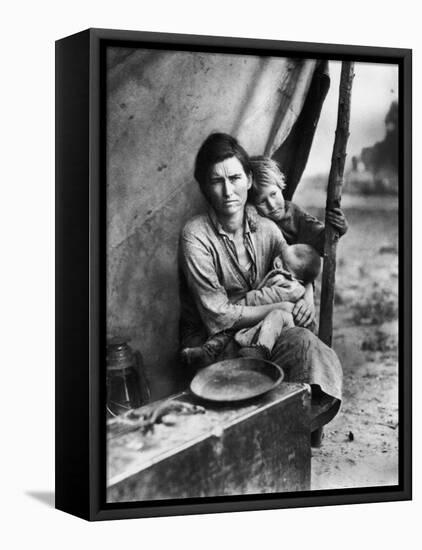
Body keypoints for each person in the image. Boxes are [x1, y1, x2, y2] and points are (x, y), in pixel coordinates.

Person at [179, 133, 342, 442]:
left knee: (306, 344)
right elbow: (217, 316)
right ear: (203, 186)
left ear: (249, 180)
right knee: (251, 368)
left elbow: (296, 268)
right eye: (216, 181)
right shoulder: (195, 236)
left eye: (235, 178)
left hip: (261, 334)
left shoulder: (266, 228)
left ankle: (285, 431)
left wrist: (305, 295)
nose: (228, 191)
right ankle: (265, 433)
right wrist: (279, 308)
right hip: (214, 340)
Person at [248, 155, 348, 328]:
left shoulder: (294, 214)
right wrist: (250, 210)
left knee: (302, 320)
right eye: (262, 201)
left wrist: (339, 228)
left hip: (294, 284)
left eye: (273, 194)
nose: (272, 205)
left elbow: (321, 241)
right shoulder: (254, 219)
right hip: (263, 287)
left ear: (281, 187)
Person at [181, 243, 321, 366]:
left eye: (283, 264)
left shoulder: (289, 287)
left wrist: (242, 304)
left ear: (298, 280)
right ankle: (208, 352)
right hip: (264, 318)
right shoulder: (288, 279)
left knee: (232, 327)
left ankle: (258, 352)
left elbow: (263, 298)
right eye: (280, 255)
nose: (277, 262)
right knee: (229, 329)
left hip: (275, 323)